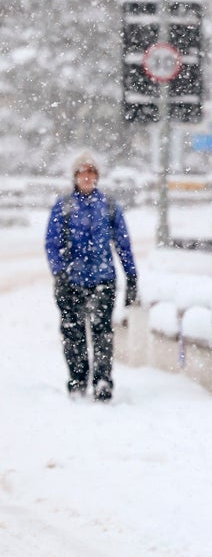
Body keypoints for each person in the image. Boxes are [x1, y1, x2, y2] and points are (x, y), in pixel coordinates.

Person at [44, 151, 137, 402]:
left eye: (92, 172)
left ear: (97, 176)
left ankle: (103, 380)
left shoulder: (108, 207)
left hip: (102, 279)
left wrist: (131, 277)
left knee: (102, 331)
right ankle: (77, 379)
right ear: (75, 176)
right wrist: (60, 272)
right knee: (73, 333)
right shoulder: (64, 207)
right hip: (71, 281)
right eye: (83, 172)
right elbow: (52, 243)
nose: (87, 176)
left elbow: (123, 244)